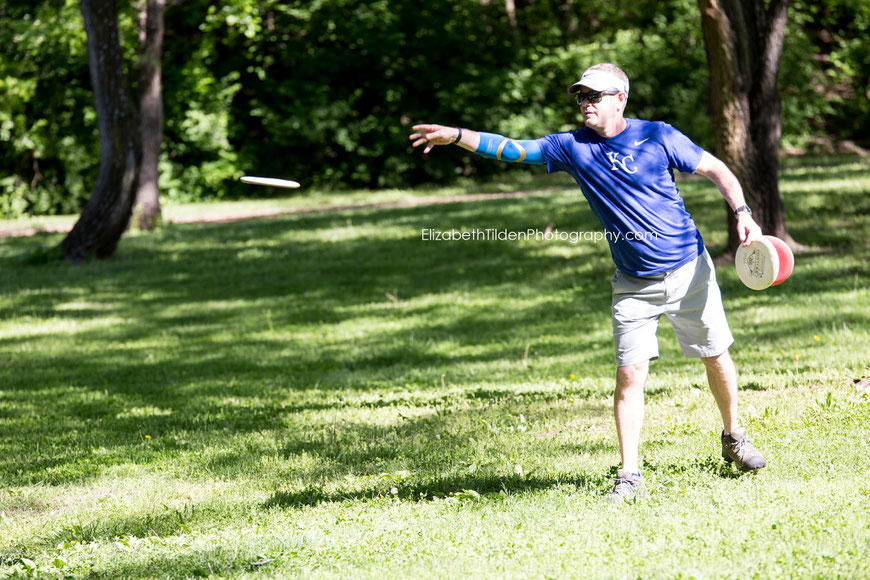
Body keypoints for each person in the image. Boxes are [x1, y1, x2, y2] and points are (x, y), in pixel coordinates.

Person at [409, 63, 767, 502]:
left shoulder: (658, 135)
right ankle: (631, 474)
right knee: (629, 374)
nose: (585, 104)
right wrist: (458, 135)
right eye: (580, 96)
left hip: (689, 268)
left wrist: (743, 214)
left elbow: (717, 171)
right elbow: (511, 149)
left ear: (621, 99)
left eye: (594, 96)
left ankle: (734, 437)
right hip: (634, 282)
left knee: (715, 356)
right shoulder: (571, 147)